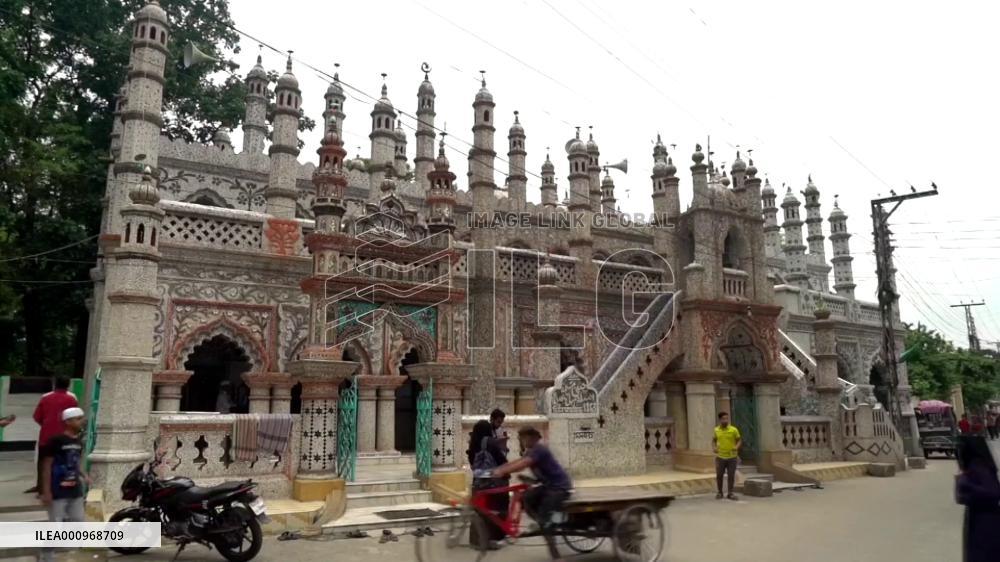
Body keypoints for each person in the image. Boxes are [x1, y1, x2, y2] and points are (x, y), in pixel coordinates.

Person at [491, 427, 572, 561]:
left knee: (545, 521)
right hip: (548, 486)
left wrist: (501, 471)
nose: (523, 441)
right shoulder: (531, 451)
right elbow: (518, 462)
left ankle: (556, 556)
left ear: (533, 438)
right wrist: (500, 469)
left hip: (559, 488)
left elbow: (523, 464)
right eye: (522, 438)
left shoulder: (539, 449)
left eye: (524, 438)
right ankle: (539, 521)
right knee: (525, 497)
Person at [40, 407, 90, 562]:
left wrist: (84, 475)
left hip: (75, 490)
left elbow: (77, 462)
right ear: (68, 421)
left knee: (78, 521)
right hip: (58, 490)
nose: (82, 421)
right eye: (78, 418)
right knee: (55, 526)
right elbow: (46, 466)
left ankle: (70, 552)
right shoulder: (56, 441)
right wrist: (46, 491)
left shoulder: (78, 442)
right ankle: (46, 556)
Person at [955, 435, 1000, 562]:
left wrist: (963, 483)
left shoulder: (978, 466)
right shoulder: (979, 465)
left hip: (985, 523)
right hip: (981, 520)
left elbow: (994, 492)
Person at [29, 377, 78, 494]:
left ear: (55, 384)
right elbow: (75, 418)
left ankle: (41, 489)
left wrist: (46, 425)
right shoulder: (72, 398)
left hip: (46, 436)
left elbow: (37, 416)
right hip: (65, 437)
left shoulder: (45, 397)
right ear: (68, 385)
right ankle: (61, 488)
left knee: (43, 462)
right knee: (65, 462)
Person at [467, 419, 509, 545]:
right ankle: (495, 537)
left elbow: (473, 464)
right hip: (493, 482)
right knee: (497, 508)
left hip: (478, 482)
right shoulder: (490, 442)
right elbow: (502, 461)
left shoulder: (472, 444)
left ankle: (477, 539)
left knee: (479, 510)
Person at [713, 412, 742, 500]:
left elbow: (739, 440)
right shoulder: (716, 430)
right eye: (724, 419)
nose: (725, 420)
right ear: (720, 420)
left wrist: (736, 447)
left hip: (732, 457)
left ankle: (730, 493)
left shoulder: (733, 430)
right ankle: (720, 492)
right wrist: (714, 447)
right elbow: (713, 440)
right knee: (719, 475)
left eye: (727, 418)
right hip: (720, 456)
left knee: (731, 475)